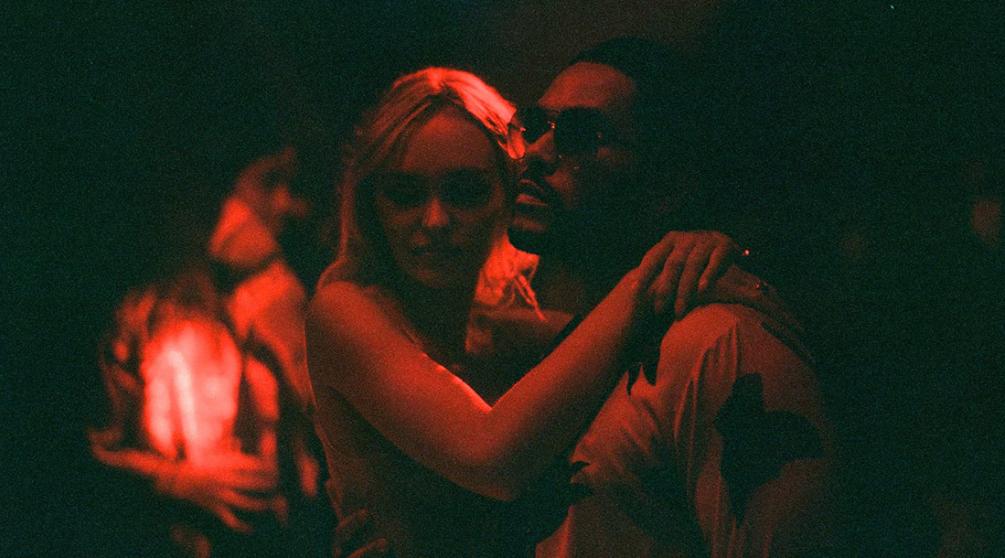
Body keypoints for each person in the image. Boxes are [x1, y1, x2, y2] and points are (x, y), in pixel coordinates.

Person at [305, 67, 749, 558]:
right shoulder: (343, 310)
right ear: (371, 203)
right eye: (405, 194)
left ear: (510, 191)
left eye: (465, 191)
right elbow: (491, 456)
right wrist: (650, 277)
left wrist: (707, 255)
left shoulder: (514, 337)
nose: (435, 220)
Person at [504, 37, 836, 556]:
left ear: (666, 187)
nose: (539, 153)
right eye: (535, 125)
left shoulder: (719, 344)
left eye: (581, 135)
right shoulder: (573, 348)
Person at [90, 148, 328, 557]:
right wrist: (175, 481)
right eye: (270, 182)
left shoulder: (291, 293)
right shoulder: (142, 309)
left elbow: (331, 429)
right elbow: (89, 448)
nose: (290, 206)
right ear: (217, 195)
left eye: (296, 187)